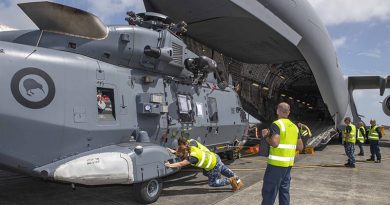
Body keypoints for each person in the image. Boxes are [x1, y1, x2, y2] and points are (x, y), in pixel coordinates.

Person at [261, 102, 303, 205]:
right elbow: (300, 147)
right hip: (288, 166)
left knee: (269, 192)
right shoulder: (294, 127)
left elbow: (275, 143)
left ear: (277, 111)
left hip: (276, 165)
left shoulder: (277, 124)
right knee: (284, 192)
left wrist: (266, 136)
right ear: (288, 112)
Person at [165, 137, 244, 191]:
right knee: (223, 170)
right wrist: (175, 152)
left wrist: (169, 165)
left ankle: (230, 180)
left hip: (212, 165)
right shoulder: (191, 146)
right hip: (214, 157)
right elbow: (182, 151)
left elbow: (181, 164)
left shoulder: (192, 158)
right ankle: (238, 180)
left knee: (213, 183)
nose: (181, 157)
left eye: (181, 156)